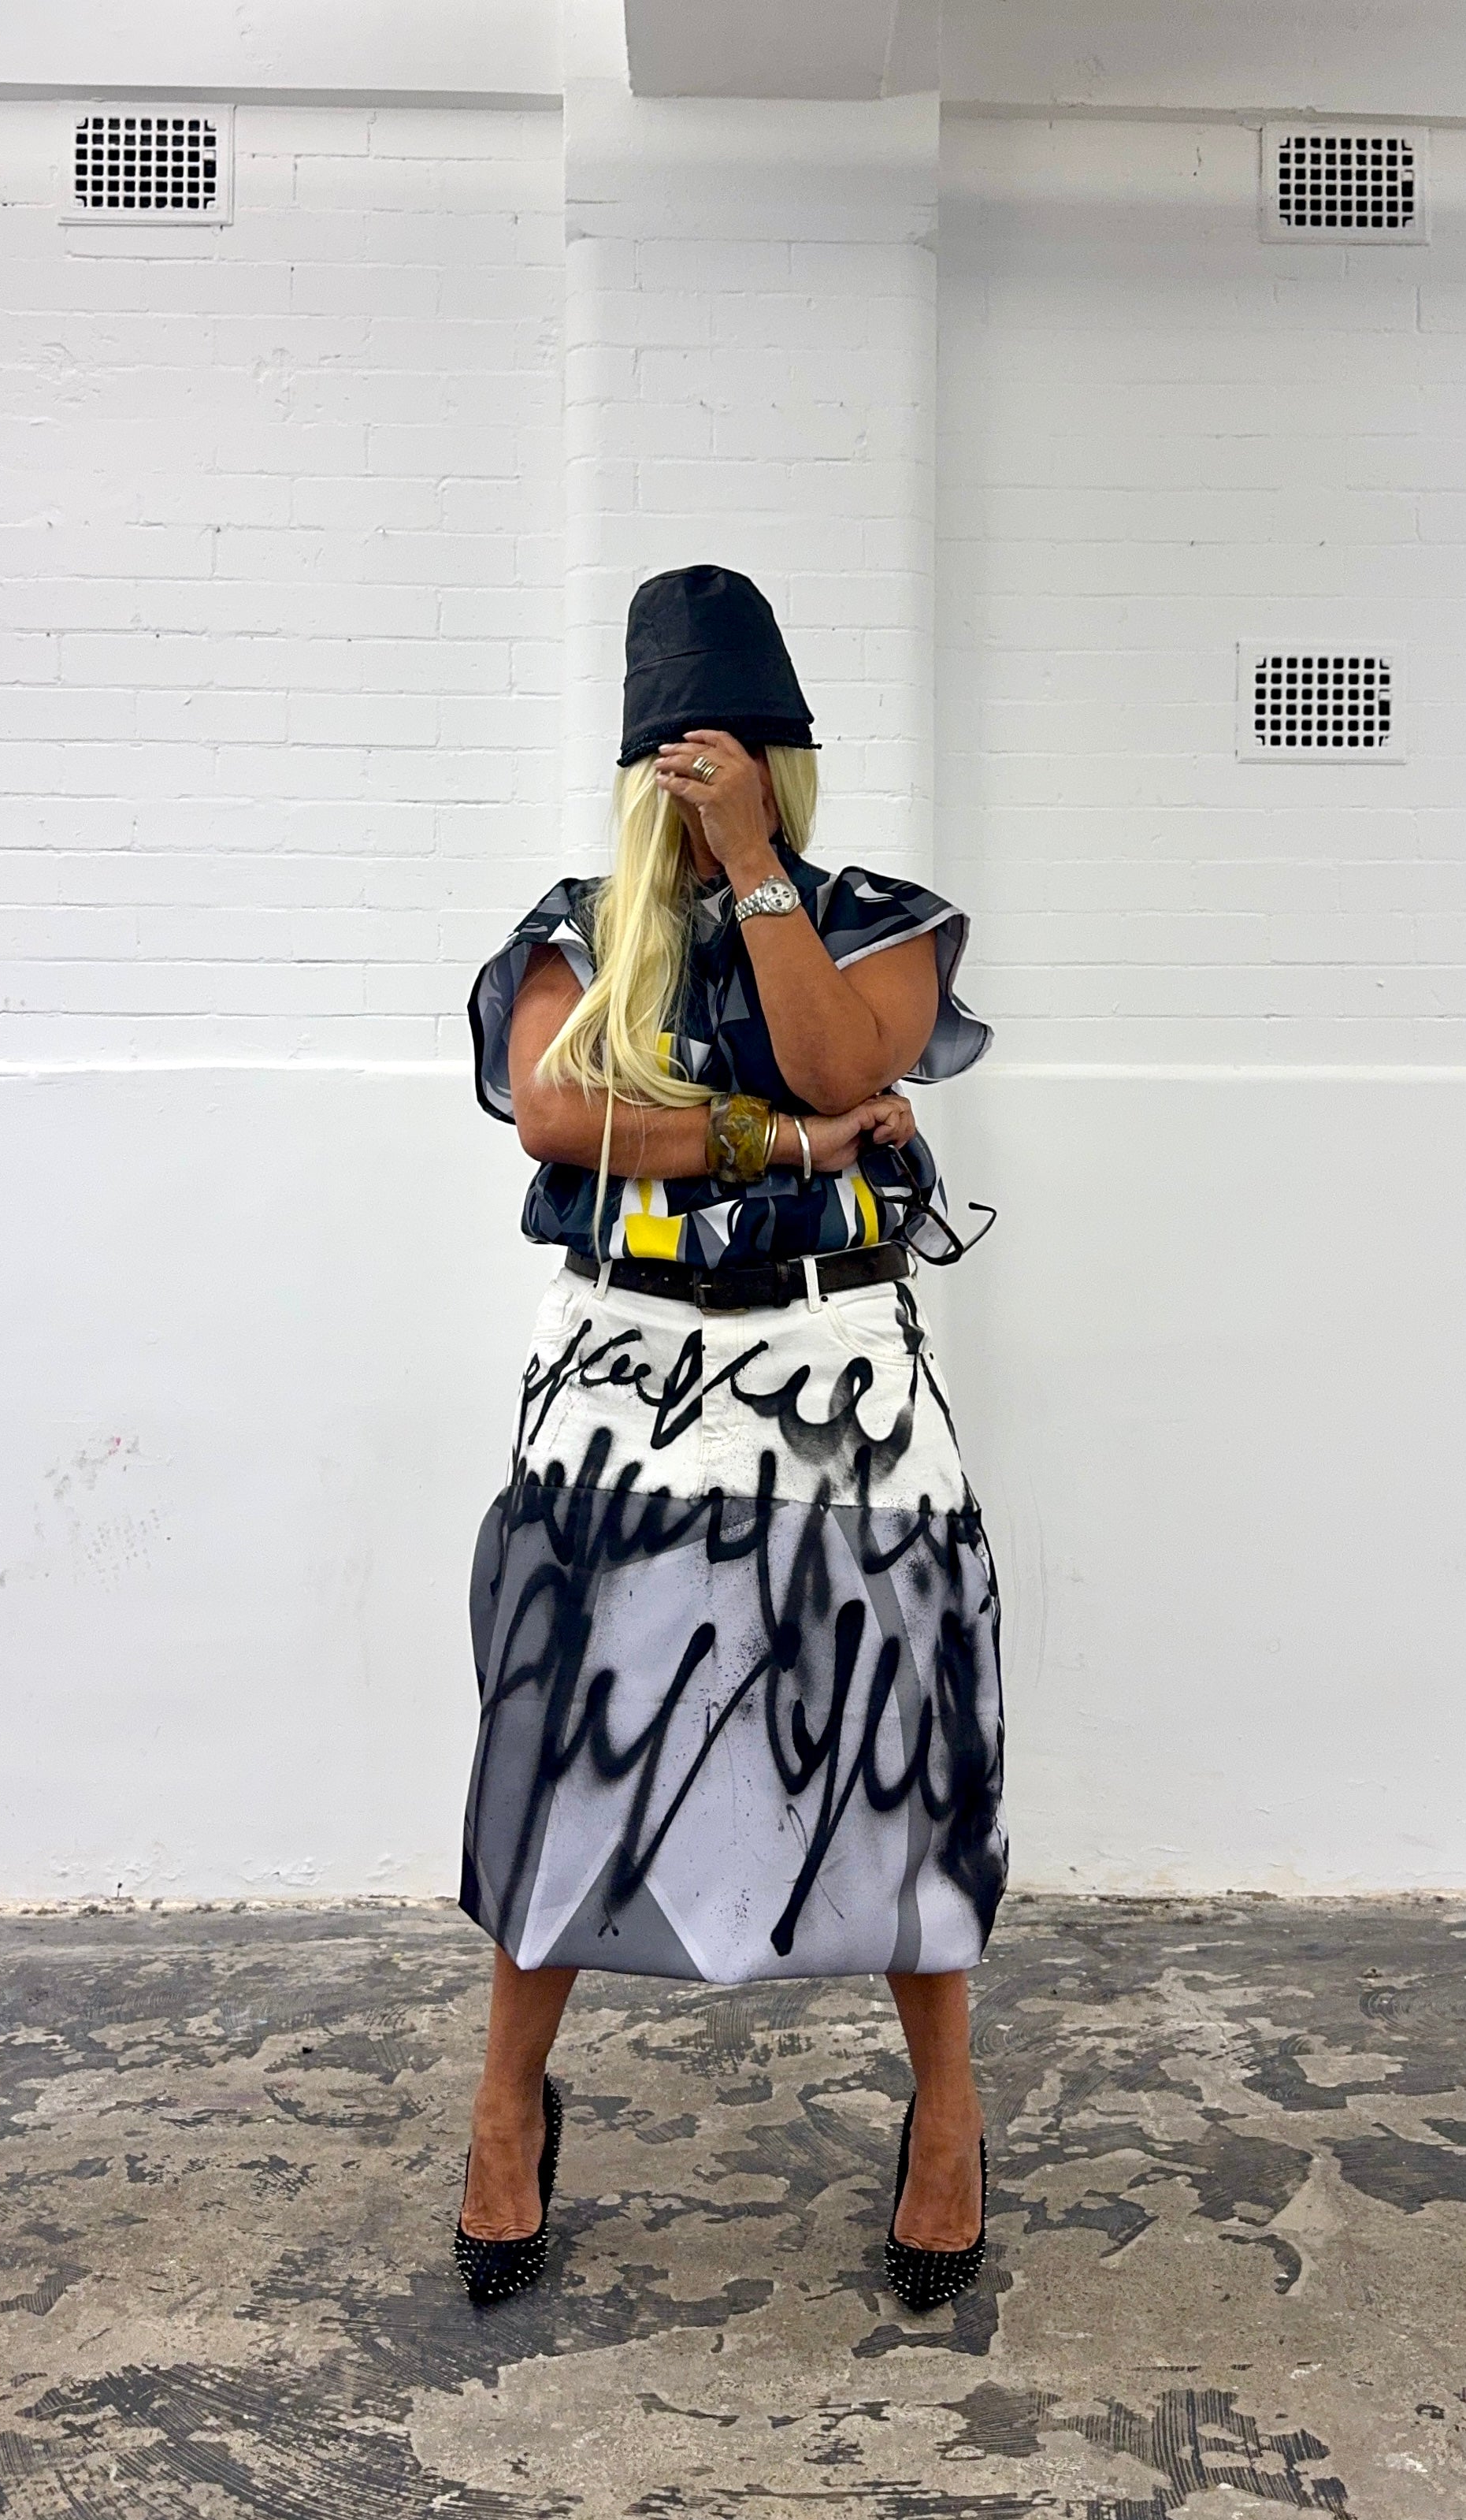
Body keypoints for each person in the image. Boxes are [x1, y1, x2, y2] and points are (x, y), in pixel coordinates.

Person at [455, 564, 1007, 2314]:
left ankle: (946, 2113)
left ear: (783, 761)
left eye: (737, 747)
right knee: (566, 1733)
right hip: (620, 1370)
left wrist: (760, 870)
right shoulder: (574, 931)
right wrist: (789, 1145)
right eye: (676, 753)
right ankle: (505, 2107)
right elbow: (560, 1118)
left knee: (897, 1727)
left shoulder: (879, 920)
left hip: (832, 1369)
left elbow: (841, 1053)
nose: (700, 773)